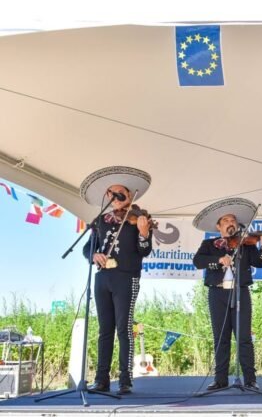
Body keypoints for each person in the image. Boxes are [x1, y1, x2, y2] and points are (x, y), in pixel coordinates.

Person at [80, 166, 153, 395]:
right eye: (111, 193)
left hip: (126, 277)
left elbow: (144, 250)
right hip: (103, 277)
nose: (115, 196)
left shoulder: (138, 218)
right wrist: (94, 255)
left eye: (120, 192)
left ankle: (125, 379)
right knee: (105, 330)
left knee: (123, 328)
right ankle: (101, 379)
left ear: (129, 196)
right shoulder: (101, 221)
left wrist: (143, 234)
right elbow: (86, 248)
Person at [192, 198, 262, 391]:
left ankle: (250, 379)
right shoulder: (209, 244)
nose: (231, 223)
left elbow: (259, 263)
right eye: (226, 220)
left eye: (233, 220)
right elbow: (198, 261)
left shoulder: (246, 244)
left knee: (244, 337)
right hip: (217, 292)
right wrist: (219, 259)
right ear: (219, 226)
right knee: (220, 337)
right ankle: (220, 379)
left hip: (240, 292)